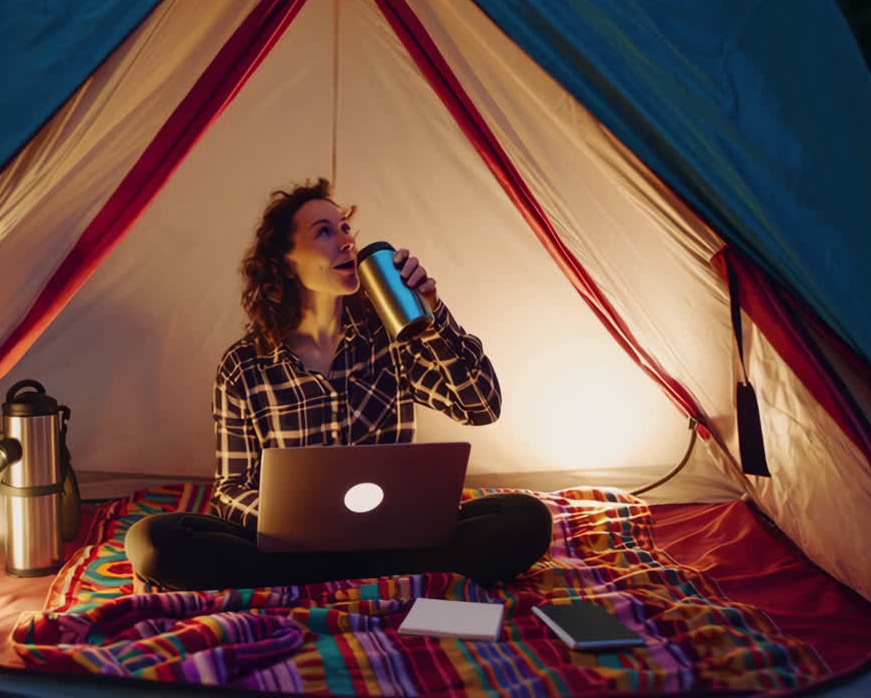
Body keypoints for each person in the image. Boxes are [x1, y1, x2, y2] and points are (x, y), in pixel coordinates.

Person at [125, 178, 551, 591]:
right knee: (156, 540)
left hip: (393, 535)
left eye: (346, 228)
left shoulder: (392, 339)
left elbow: (480, 406)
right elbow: (232, 488)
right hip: (292, 546)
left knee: (525, 517)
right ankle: (372, 573)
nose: (347, 241)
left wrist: (433, 312)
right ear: (286, 261)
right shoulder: (245, 365)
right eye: (324, 232)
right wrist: (293, 525)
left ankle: (321, 577)